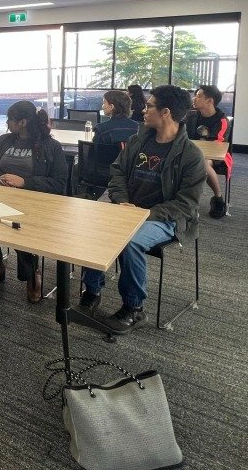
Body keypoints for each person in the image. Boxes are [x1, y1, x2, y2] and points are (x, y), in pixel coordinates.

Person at [80, 85, 206, 333]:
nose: (143, 110)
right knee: (92, 226)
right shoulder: (137, 140)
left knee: (131, 241)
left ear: (166, 112)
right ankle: (92, 291)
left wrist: (146, 214)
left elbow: (186, 203)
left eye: (149, 106)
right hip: (127, 208)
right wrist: (122, 201)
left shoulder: (191, 155)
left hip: (164, 218)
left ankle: (134, 308)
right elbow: (117, 172)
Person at [0, 101, 68, 301]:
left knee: (19, 228)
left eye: (10, 119)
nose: (7, 123)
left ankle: (31, 272)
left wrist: (25, 182)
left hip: (35, 201)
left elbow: (59, 183)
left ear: (23, 122)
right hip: (0, 196)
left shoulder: (51, 146)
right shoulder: (4, 141)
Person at [189, 85, 232, 219]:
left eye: (198, 96)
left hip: (216, 155)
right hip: (191, 151)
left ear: (210, 101)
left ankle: (218, 198)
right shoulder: (191, 116)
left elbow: (216, 145)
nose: (194, 98)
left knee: (204, 163)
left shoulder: (221, 120)